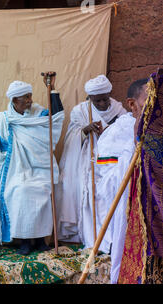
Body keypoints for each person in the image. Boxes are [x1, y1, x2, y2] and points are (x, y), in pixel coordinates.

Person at [0, 74, 65, 255]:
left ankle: (39, 240)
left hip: (39, 166)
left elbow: (57, 118)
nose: (30, 101)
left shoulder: (38, 113)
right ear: (15, 100)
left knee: (43, 188)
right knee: (20, 190)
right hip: (13, 168)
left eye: (30, 96)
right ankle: (24, 240)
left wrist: (52, 89)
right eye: (26, 98)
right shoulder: (2, 120)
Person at [56, 74, 127, 246]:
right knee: (86, 196)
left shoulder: (119, 110)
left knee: (107, 198)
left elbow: (125, 135)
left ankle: (107, 239)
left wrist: (110, 132)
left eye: (105, 100)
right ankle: (87, 237)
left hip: (110, 163)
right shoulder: (80, 111)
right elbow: (70, 140)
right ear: (90, 99)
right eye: (97, 101)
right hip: (86, 162)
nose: (102, 104)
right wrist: (85, 130)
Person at [93, 79, 148, 283]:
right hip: (131, 207)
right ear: (132, 104)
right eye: (148, 100)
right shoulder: (117, 132)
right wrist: (132, 151)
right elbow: (107, 181)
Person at [118, 71, 163, 284]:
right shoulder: (140, 128)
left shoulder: (153, 129)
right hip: (140, 206)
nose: (153, 109)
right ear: (132, 104)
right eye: (149, 101)